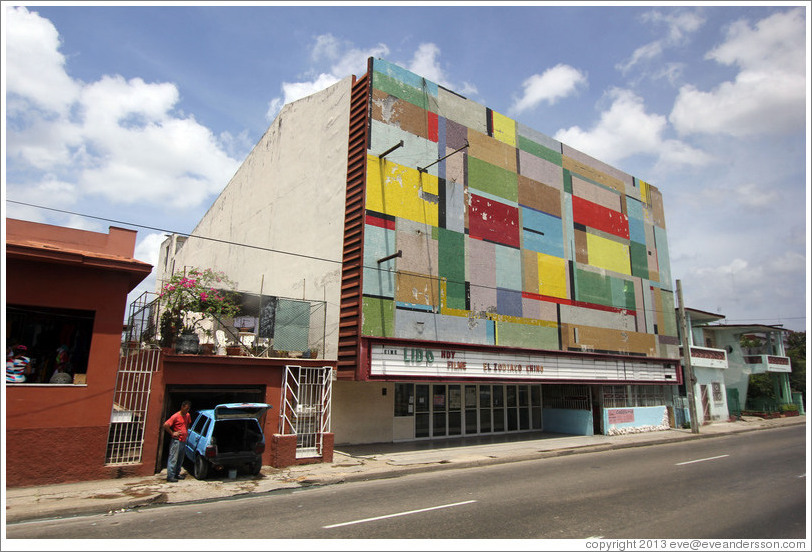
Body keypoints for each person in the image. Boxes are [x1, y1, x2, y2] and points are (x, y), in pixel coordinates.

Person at [163, 400, 192, 482]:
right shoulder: (175, 416)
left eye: (188, 409)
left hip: (183, 440)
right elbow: (166, 425)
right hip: (176, 441)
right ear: (182, 407)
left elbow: (188, 424)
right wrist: (172, 433)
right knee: (173, 458)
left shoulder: (187, 415)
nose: (187, 410)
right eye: (186, 409)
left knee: (180, 458)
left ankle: (177, 474)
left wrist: (185, 432)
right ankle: (170, 475)